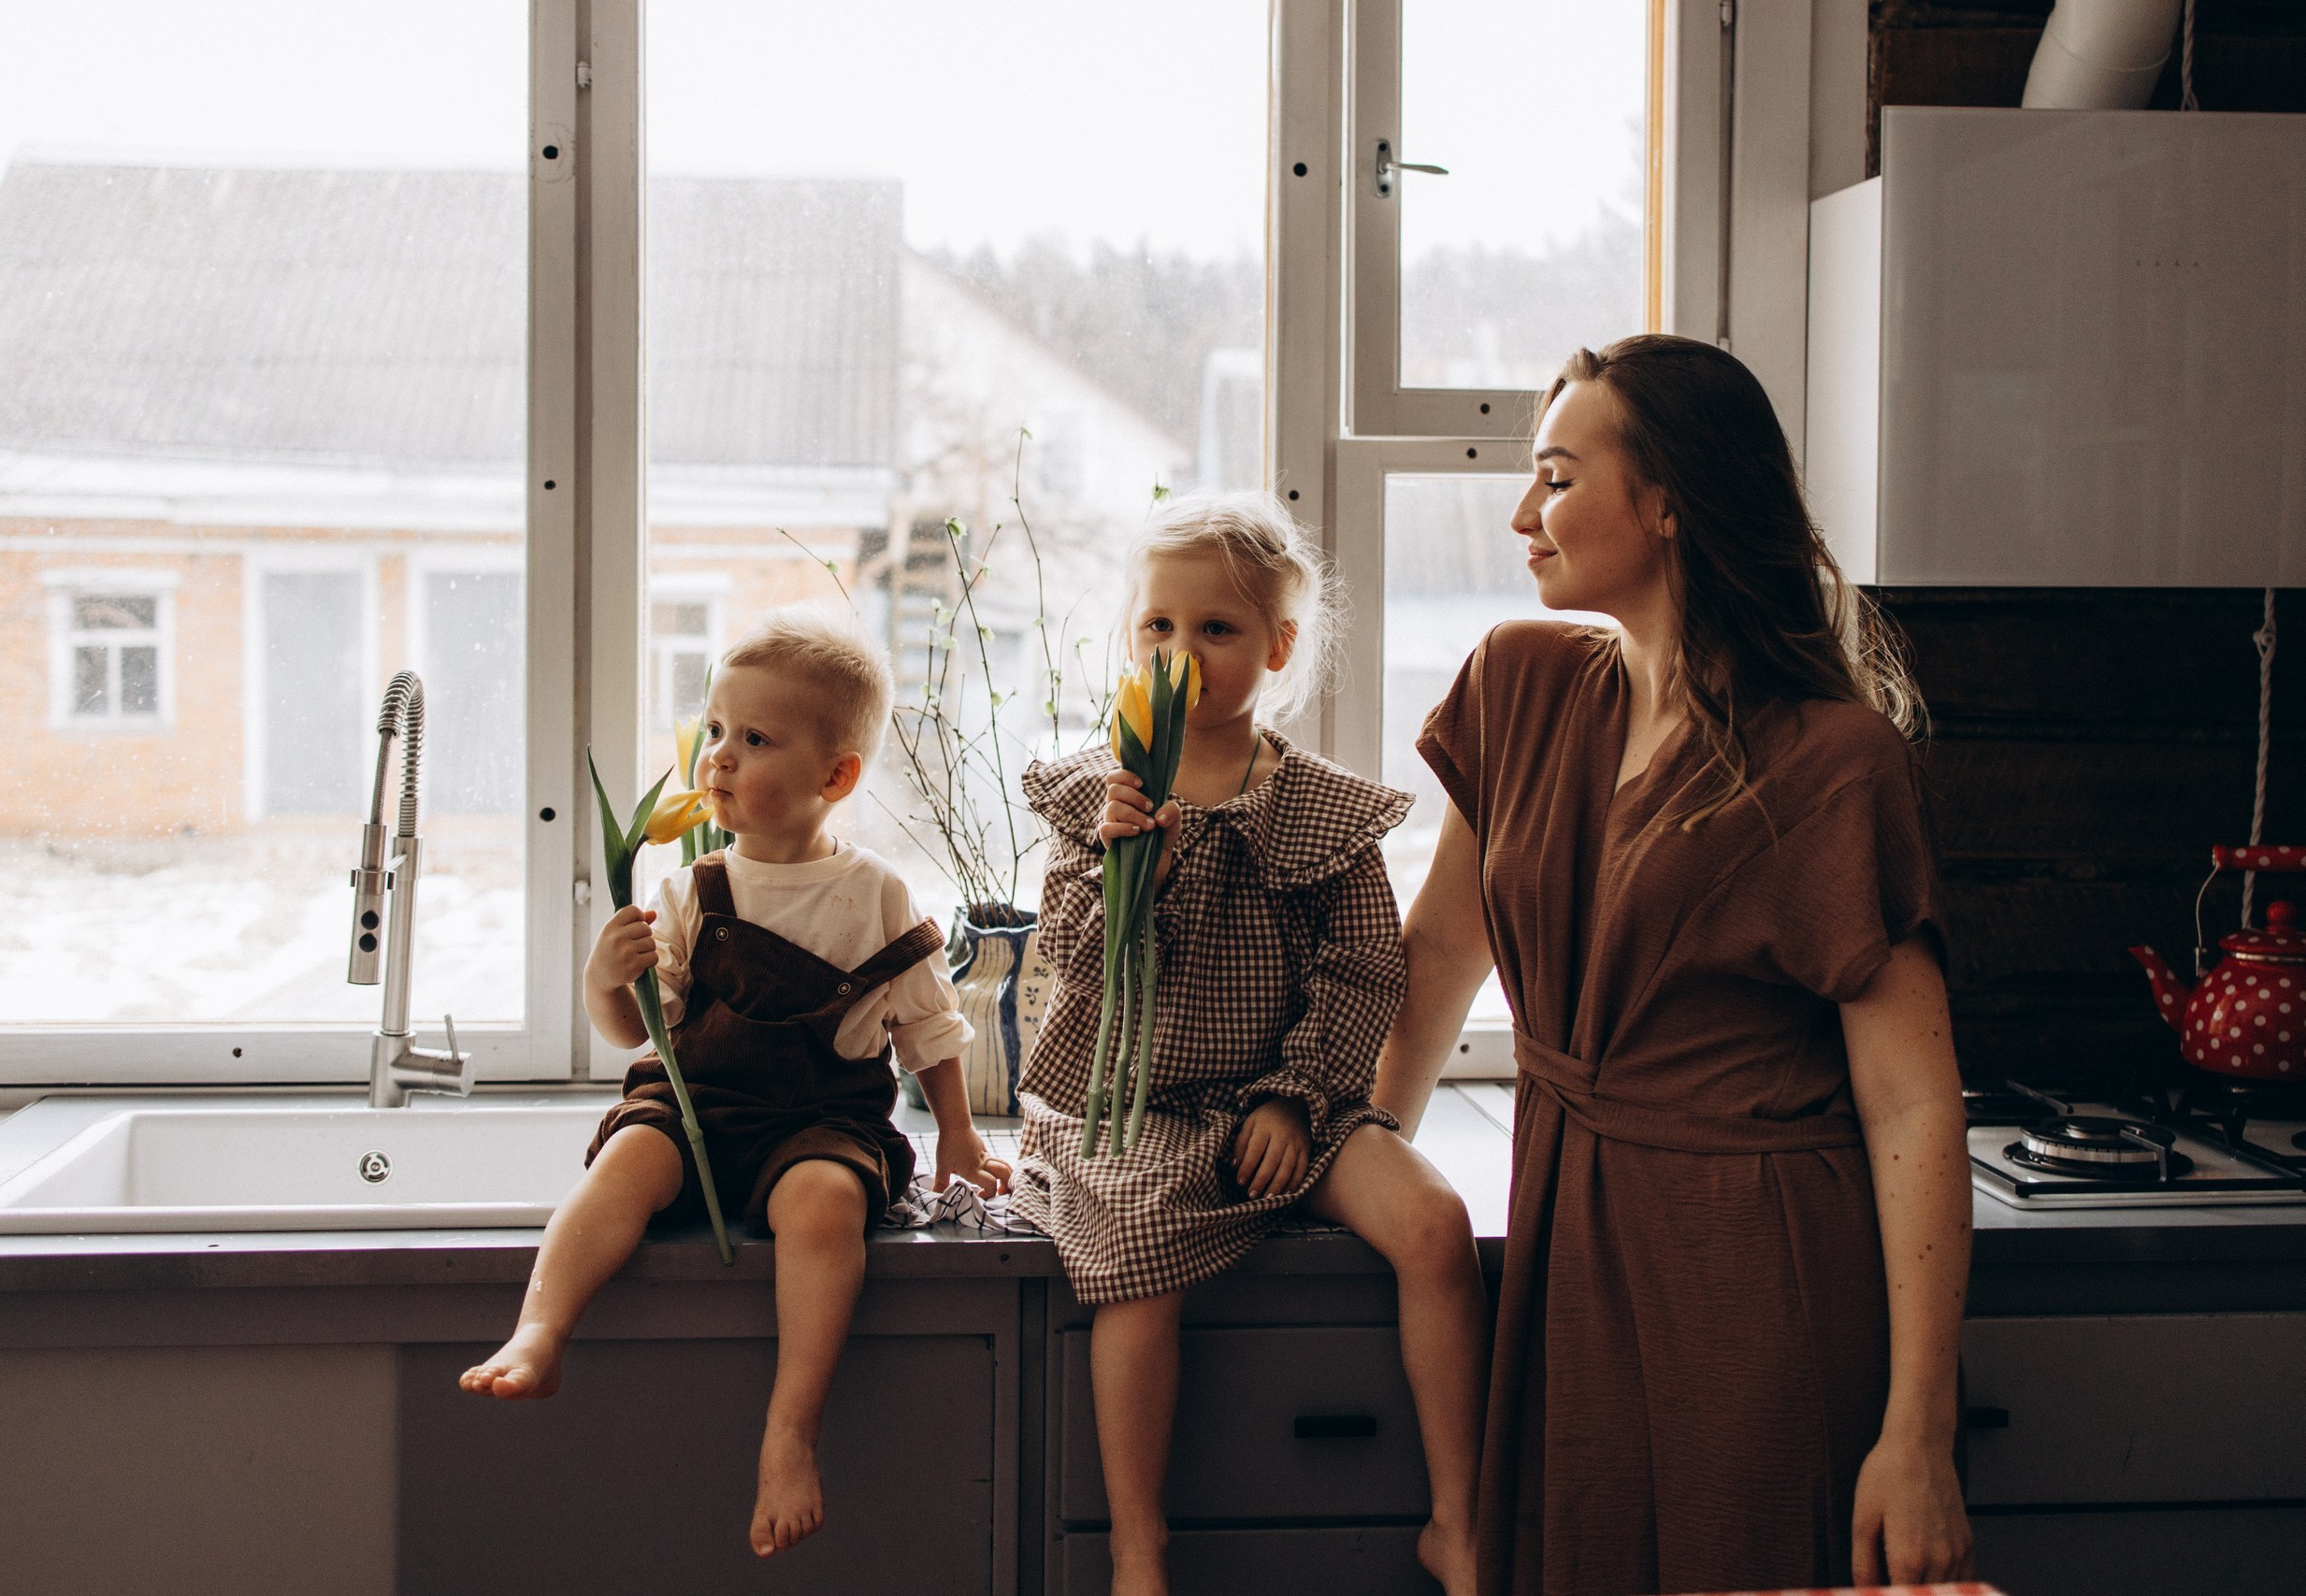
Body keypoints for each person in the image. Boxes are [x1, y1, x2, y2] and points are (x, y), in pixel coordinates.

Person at [1377, 335, 1976, 1593]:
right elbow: (1440, 949)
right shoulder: (1516, 683)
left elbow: (1915, 1101)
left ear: (1669, 504)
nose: (1521, 513)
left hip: (1755, 1271)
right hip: (1569, 1244)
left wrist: (1919, 1428)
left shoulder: (1833, 759)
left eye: (1555, 476)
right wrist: (1365, 1144)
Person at [458, 607, 1012, 1560]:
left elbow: (927, 1024)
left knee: (825, 1207)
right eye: (715, 731)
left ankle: (791, 1430)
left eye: (754, 740)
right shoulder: (691, 890)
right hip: (695, 1107)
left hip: (819, 1119)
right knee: (625, 1162)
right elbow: (641, 1031)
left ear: (834, 777)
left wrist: (957, 1133)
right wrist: (604, 979)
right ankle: (541, 1332)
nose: (718, 757)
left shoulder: (872, 890)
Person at [1016, 493, 1491, 1596]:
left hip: (1287, 1098)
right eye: (1158, 629)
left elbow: (1366, 968)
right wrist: (1133, 873)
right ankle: (1141, 1543)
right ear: (1129, 642)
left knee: (1434, 1223)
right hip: (1137, 1101)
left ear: (1277, 648)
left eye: (1217, 630)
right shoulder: (1101, 798)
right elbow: (1076, 968)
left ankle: (1457, 1517)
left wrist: (1297, 1097)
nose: (1183, 655)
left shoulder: (1315, 808)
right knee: (1132, 1259)